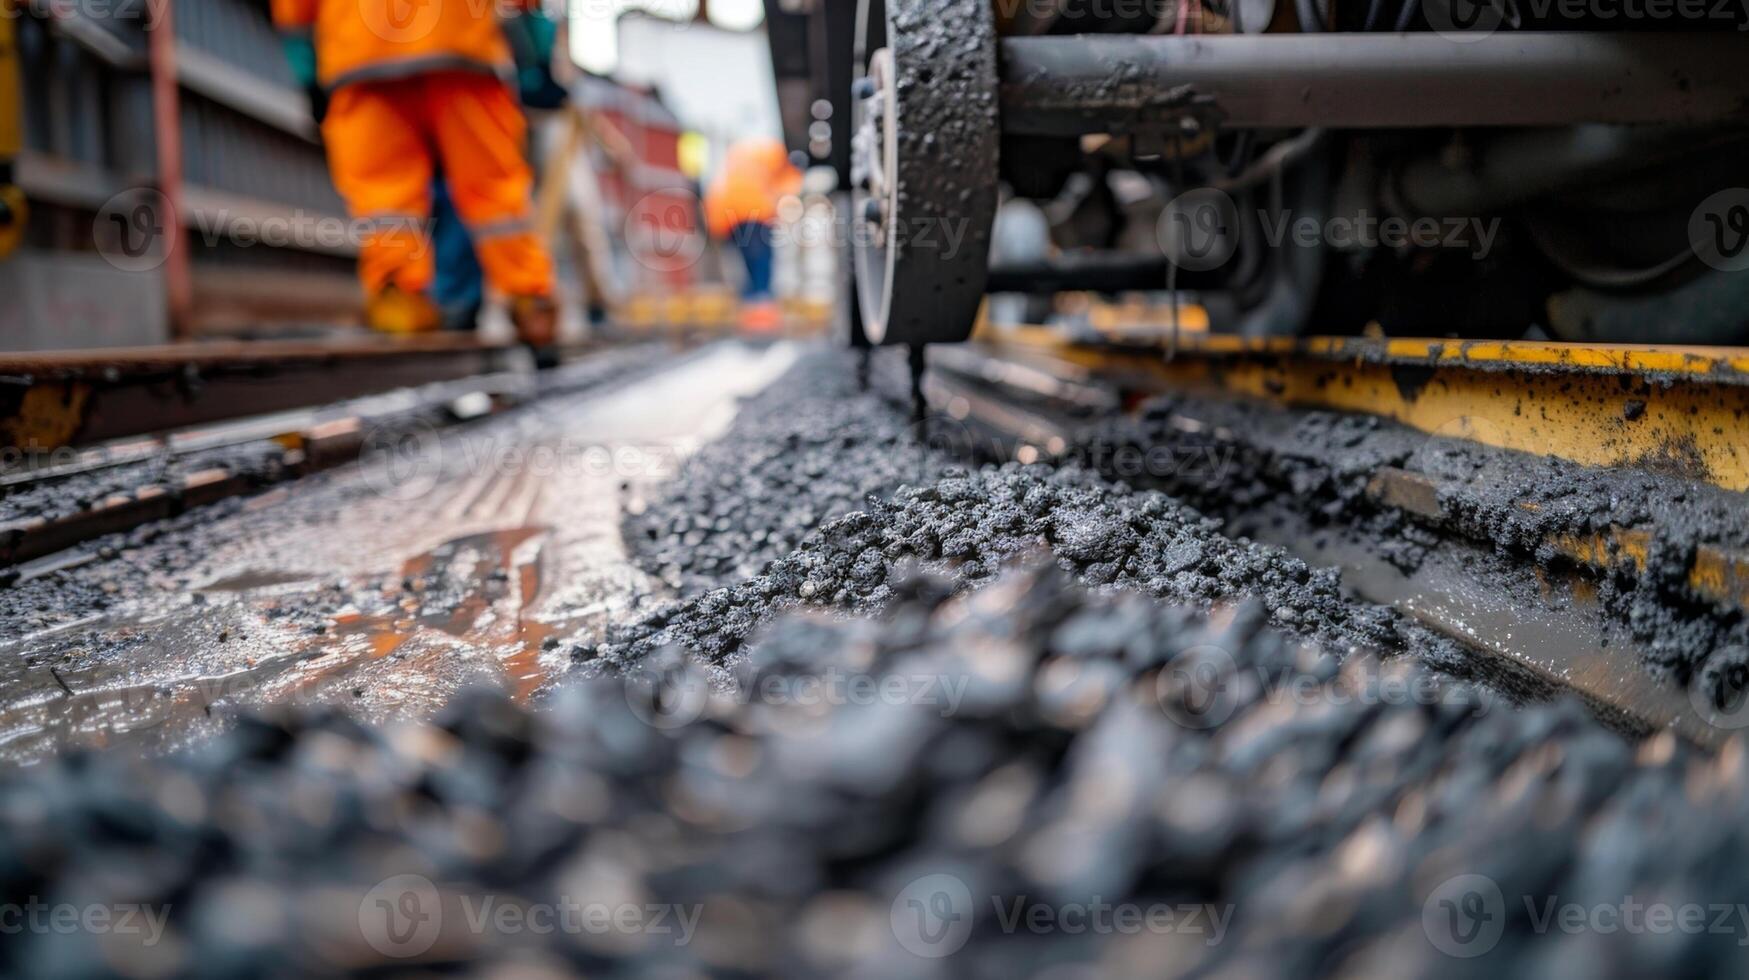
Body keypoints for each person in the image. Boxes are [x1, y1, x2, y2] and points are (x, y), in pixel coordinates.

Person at [272, 0, 557, 344]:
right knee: (493, 190)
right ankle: (531, 300)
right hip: (462, 42)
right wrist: (536, 59)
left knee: (385, 198)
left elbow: (294, 11)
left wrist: (307, 71)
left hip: (361, 52)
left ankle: (399, 300)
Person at [704, 138, 802, 331]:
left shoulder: (740, 154)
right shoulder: (777, 155)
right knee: (761, 266)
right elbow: (790, 184)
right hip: (755, 212)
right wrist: (782, 202)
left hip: (728, 216)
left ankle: (751, 313)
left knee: (747, 266)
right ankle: (761, 315)